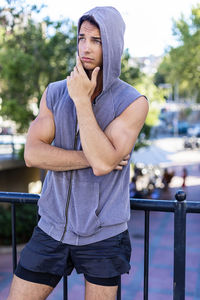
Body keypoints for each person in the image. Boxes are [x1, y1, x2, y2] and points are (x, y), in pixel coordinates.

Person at [7, 6, 148, 300]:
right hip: (51, 228)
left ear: (112, 45)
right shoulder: (55, 92)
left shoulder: (133, 102)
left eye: (96, 40)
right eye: (82, 38)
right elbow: (33, 155)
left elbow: (101, 165)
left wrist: (83, 101)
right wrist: (100, 158)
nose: (85, 47)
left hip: (104, 234)